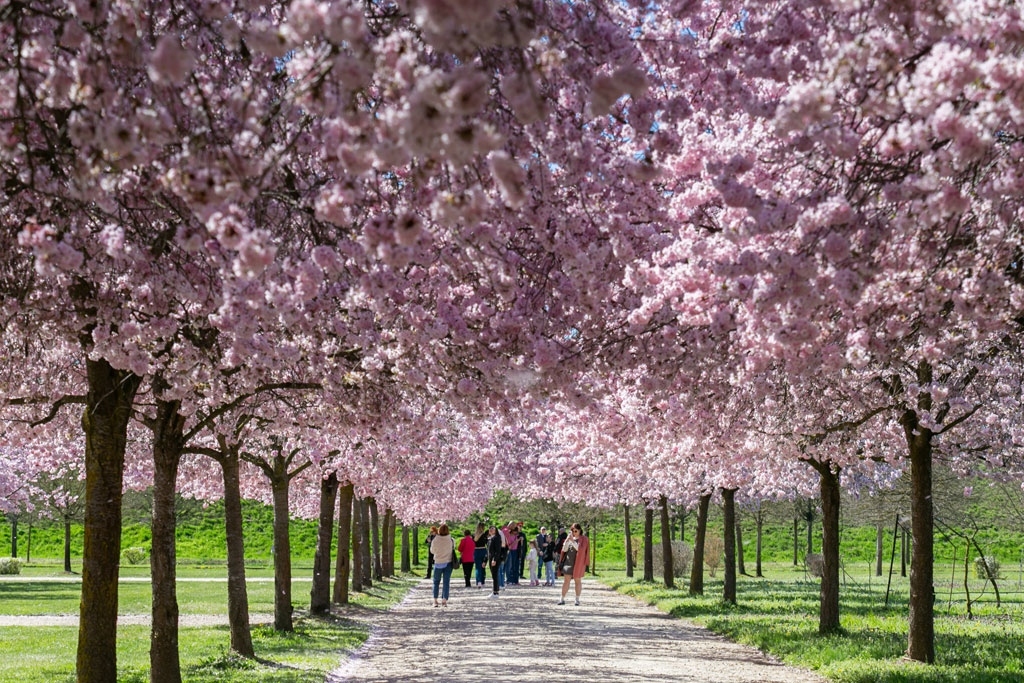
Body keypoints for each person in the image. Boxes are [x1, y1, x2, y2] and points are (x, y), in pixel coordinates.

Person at [558, 523, 590, 606]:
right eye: (572, 531)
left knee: (577, 581)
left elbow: (581, 550)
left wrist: (573, 541)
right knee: (566, 581)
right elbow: (564, 550)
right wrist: (567, 541)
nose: (574, 532)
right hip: (568, 563)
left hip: (578, 563)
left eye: (576, 531)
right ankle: (562, 599)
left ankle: (577, 599)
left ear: (580, 530)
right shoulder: (570, 538)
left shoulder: (584, 539)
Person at [430, 524, 456, 607]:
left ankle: (435, 600)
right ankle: (444, 600)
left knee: (436, 582)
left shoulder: (435, 540)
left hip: (438, 562)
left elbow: (432, 551)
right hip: (448, 562)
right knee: (446, 582)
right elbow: (453, 548)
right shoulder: (451, 540)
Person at [486, 525, 504, 598]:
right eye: (490, 529)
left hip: (495, 559)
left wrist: (494, 559)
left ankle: (495, 592)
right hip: (491, 558)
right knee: (494, 575)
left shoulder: (496, 538)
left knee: (495, 575)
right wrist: (485, 561)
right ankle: (495, 591)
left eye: (493, 529)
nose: (491, 530)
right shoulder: (490, 538)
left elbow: (498, 551)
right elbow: (488, 551)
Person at [472, 522, 488, 587]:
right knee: (483, 566)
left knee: (478, 567)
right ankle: (483, 581)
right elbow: (487, 543)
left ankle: (478, 581)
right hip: (483, 550)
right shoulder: (484, 535)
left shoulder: (474, 535)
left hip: (476, 551)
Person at [504, 521, 520, 585]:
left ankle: (514, 579)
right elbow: (510, 546)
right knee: (509, 566)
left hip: (515, 551)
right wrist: (516, 542)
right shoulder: (509, 536)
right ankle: (509, 579)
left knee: (514, 565)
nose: (515, 533)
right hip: (511, 551)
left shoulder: (516, 536)